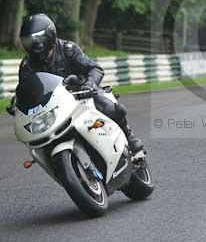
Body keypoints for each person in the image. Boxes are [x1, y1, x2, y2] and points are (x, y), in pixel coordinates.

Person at [17, 13, 144, 155]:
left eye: (36, 40)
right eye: (27, 41)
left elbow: (95, 68)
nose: (32, 45)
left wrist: (90, 84)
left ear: (49, 35)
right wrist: (17, 104)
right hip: (53, 106)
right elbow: (24, 89)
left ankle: (129, 137)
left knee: (110, 108)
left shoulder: (68, 49)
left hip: (82, 95)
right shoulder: (27, 65)